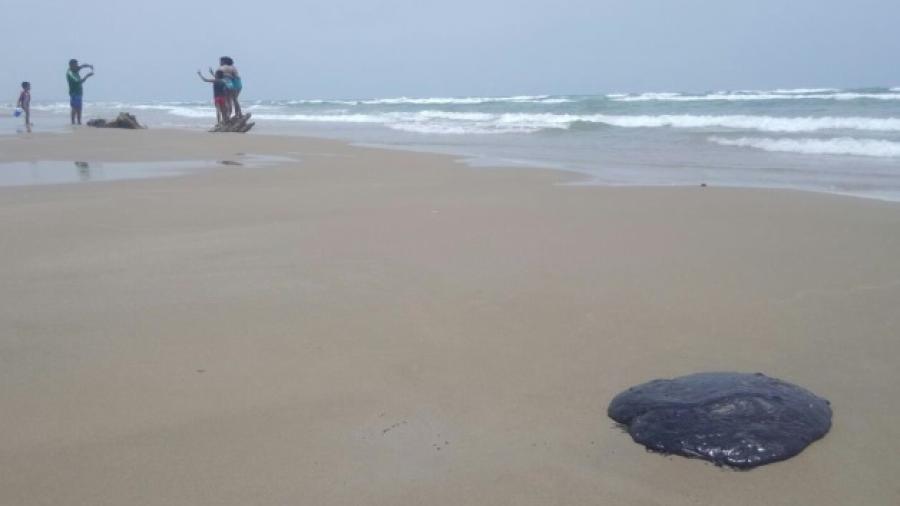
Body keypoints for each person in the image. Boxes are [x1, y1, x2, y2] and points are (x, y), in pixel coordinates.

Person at [66, 59, 94, 125]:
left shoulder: (75, 69)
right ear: (71, 65)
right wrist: (87, 76)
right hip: (74, 93)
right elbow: (79, 82)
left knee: (79, 108)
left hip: (79, 92)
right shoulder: (70, 73)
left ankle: (79, 122)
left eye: (77, 65)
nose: (77, 66)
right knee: (74, 108)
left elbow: (82, 66)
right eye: (75, 65)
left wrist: (89, 66)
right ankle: (73, 122)